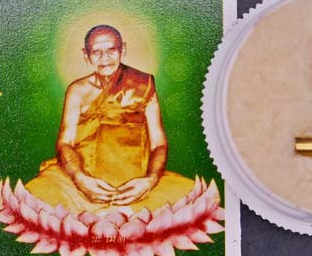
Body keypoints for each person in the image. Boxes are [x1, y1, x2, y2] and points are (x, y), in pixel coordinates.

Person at [25, 25, 195, 214]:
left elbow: (159, 143)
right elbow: (65, 142)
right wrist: (79, 178)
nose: (104, 58)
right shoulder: (77, 90)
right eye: (96, 52)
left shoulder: (143, 85)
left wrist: (151, 179)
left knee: (191, 199)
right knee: (35, 198)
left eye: (111, 50)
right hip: (84, 180)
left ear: (123, 50)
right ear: (86, 55)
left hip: (135, 182)